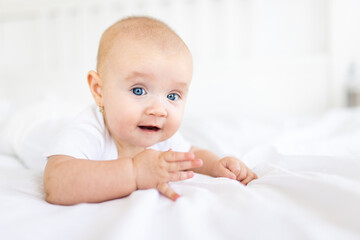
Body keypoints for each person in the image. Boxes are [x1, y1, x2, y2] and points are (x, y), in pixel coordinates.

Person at [43, 16, 258, 205]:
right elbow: (56, 183)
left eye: (172, 96)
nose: (159, 110)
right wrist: (134, 173)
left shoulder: (157, 132)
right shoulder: (90, 128)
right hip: (37, 126)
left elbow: (190, 154)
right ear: (99, 90)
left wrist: (215, 165)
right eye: (138, 90)